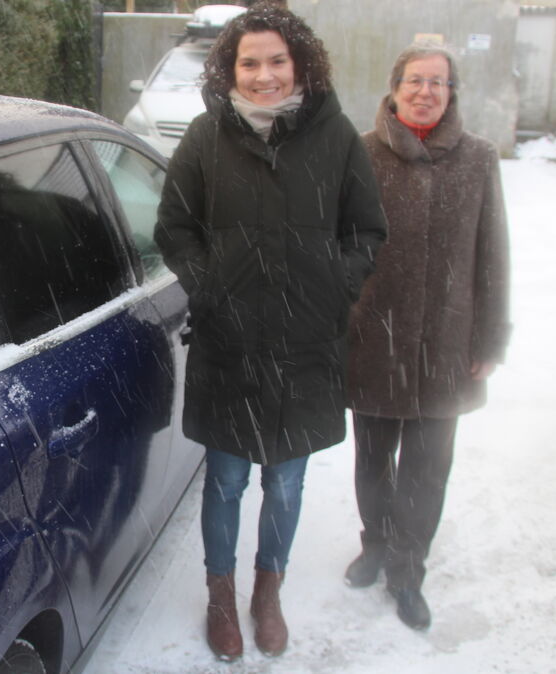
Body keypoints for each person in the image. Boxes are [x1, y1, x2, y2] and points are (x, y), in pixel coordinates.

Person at [154, 1, 387, 660]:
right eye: (249, 62)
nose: (263, 76)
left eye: (276, 60)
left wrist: (334, 286)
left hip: (307, 347)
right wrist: (210, 286)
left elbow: (366, 229)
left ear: (300, 63)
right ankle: (221, 595)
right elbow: (174, 227)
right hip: (231, 345)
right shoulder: (206, 137)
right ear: (231, 67)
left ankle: (267, 591)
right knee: (227, 482)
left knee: (285, 482)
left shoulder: (336, 138)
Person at [343, 42, 511, 631]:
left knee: (428, 467)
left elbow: (493, 254)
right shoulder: (359, 155)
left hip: (447, 345)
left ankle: (408, 569)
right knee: (373, 459)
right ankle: (376, 544)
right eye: (416, 80)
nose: (426, 91)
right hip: (373, 339)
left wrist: (490, 339)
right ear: (394, 88)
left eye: (438, 83)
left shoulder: (478, 158)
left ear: (451, 93)